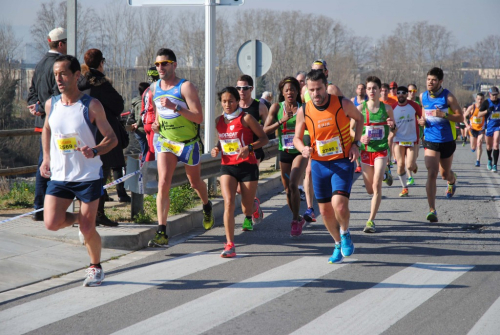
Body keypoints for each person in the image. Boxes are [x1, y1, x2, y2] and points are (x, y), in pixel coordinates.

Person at [40, 55, 118, 286]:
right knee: (51, 222)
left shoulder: (91, 105)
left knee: (86, 228)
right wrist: (46, 157)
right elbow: (46, 129)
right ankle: (86, 222)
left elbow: (111, 138)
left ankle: (95, 267)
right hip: (61, 175)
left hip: (87, 176)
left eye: (63, 73)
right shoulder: (51, 104)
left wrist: (94, 151)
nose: (59, 79)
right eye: (56, 75)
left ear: (77, 76)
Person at [293, 70, 363, 264]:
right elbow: (297, 138)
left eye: (319, 89)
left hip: (341, 161)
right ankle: (337, 243)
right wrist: (303, 149)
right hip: (318, 164)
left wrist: (356, 143)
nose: (316, 93)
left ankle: (345, 232)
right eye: (311, 90)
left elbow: (359, 119)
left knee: (339, 205)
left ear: (326, 87)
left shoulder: (342, 103)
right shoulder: (304, 110)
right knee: (324, 211)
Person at [149, 48, 214, 247]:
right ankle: (162, 231)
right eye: (157, 64)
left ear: (174, 65)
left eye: (164, 63)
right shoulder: (154, 88)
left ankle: (206, 204)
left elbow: (199, 117)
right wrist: (156, 124)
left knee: (194, 182)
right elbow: (159, 111)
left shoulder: (185, 87)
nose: (160, 67)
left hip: (188, 144)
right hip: (167, 142)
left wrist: (176, 107)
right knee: (163, 184)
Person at [212, 87, 268, 257]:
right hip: (228, 166)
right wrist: (216, 148)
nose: (227, 104)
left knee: (246, 209)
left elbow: (264, 139)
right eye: (224, 101)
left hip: (247, 166)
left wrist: (249, 147)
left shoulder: (246, 118)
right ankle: (230, 244)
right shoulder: (218, 121)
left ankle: (253, 207)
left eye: (230, 101)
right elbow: (224, 140)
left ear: (237, 101)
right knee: (228, 202)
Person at [78, 48, 129, 227]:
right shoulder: (100, 83)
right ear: (101, 63)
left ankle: (83, 214)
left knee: (82, 175)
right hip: (101, 134)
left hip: (82, 132)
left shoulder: (78, 81)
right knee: (101, 175)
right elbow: (118, 105)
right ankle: (98, 214)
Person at [27, 27, 67, 222]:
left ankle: (39, 208)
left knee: (44, 163)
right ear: (61, 44)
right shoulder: (58, 65)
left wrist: (34, 106)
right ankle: (43, 208)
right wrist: (43, 107)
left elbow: (32, 92)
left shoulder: (40, 63)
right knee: (50, 164)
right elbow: (57, 92)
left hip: (42, 122)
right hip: (55, 122)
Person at [300, 60, 344, 224]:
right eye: (313, 70)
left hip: (329, 133)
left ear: (326, 72)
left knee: (328, 168)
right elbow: (304, 111)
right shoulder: (305, 89)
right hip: (310, 132)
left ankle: (333, 200)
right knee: (309, 170)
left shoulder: (332, 89)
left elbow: (343, 111)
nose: (316, 73)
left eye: (320, 70)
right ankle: (310, 208)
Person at [263, 77, 307, 237]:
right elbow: (265, 130)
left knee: (294, 184)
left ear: (298, 91)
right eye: (287, 90)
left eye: (293, 89)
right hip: (284, 152)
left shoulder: (304, 108)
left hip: (299, 151)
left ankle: (295, 220)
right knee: (288, 189)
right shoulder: (276, 107)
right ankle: (298, 217)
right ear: (282, 92)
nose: (290, 92)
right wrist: (280, 122)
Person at [418, 67, 463, 223]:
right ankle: (432, 210)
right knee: (432, 172)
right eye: (428, 79)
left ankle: (452, 179)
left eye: (434, 80)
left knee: (444, 174)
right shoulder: (423, 96)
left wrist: (445, 115)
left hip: (447, 140)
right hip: (430, 140)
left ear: (440, 81)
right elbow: (423, 114)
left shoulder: (448, 97)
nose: (430, 82)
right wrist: (422, 121)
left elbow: (460, 117)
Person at [354, 76, 396, 233]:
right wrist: (360, 137)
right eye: (369, 88)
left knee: (377, 185)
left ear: (380, 90)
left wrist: (392, 126)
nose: (371, 91)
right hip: (365, 152)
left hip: (381, 150)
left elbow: (394, 129)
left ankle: (370, 221)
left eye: (374, 88)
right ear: (366, 90)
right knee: (370, 190)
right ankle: (385, 173)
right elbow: (351, 129)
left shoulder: (387, 109)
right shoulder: (360, 109)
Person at [236, 74, 267, 224]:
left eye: (245, 88)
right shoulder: (233, 107)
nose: (242, 91)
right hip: (237, 151)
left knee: (246, 184)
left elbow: (268, 129)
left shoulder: (259, 106)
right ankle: (254, 206)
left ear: (251, 89)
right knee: (239, 188)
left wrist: (261, 129)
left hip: (255, 150)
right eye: (239, 88)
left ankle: (249, 214)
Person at [392, 86, 422, 197]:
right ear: (396, 94)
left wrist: (422, 121)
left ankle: (414, 165)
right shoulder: (393, 107)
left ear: (406, 94)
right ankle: (404, 188)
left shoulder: (414, 106)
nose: (401, 94)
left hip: (412, 140)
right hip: (398, 139)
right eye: (398, 93)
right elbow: (388, 121)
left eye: (403, 93)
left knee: (409, 166)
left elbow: (422, 117)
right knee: (400, 164)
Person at [477, 87, 500, 172]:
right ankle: (490, 159)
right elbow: (479, 114)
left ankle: (495, 165)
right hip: (489, 126)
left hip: (498, 126)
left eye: (496, 94)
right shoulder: (486, 103)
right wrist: (487, 111)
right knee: (489, 146)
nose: (495, 96)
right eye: (493, 95)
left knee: (496, 144)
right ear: (490, 94)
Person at [142, 67, 160, 162]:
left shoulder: (146, 91)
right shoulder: (156, 90)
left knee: (150, 149)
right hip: (153, 121)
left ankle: (145, 170)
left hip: (146, 122)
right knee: (153, 150)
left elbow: (142, 109)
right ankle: (148, 172)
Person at [406, 83, 422, 186]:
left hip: (417, 133)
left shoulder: (418, 104)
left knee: (414, 156)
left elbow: (422, 117)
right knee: (406, 157)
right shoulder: (403, 102)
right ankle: (409, 177)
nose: (412, 93)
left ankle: (413, 165)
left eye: (414, 91)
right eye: (410, 91)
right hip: (404, 133)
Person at [130, 82, 150, 163]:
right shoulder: (142, 102)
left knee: (145, 150)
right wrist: (137, 124)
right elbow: (141, 116)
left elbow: (133, 115)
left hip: (139, 131)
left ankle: (144, 167)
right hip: (143, 130)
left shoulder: (135, 102)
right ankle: (146, 169)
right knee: (147, 152)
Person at [464, 93, 485, 167]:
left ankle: (478, 160)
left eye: (481, 99)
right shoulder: (472, 107)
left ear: (483, 99)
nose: (480, 101)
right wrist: (467, 125)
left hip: (481, 129)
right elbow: (464, 117)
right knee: (473, 147)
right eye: (478, 99)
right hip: (472, 129)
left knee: (479, 143)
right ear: (476, 99)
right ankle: (473, 146)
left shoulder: (485, 107)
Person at [351, 83, 368, 173]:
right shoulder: (353, 100)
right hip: (355, 124)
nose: (360, 90)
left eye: (362, 88)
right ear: (356, 90)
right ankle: (358, 165)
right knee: (355, 143)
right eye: (359, 88)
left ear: (365, 90)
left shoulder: (368, 100)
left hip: (365, 125)